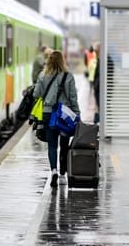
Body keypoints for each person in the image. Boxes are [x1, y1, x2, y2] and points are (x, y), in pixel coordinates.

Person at [33, 50, 80, 187]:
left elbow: (37, 94)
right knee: (64, 144)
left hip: (48, 114)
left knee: (52, 145)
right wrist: (77, 114)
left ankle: (53, 170)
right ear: (62, 61)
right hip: (64, 116)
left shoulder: (43, 75)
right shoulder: (68, 76)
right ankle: (62, 174)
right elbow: (73, 98)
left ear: (48, 61)